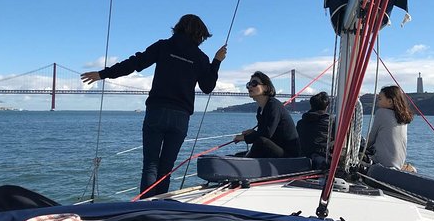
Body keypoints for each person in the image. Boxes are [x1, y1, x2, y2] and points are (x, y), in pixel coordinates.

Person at [81, 14, 227, 198]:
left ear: (178, 28)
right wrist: (217, 61)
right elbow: (207, 87)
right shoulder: (200, 57)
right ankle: (158, 207)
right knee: (166, 167)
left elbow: (134, 63)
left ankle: (145, 206)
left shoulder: (163, 46)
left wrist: (103, 74)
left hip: (156, 112)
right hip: (180, 117)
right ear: (200, 35)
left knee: (150, 164)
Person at [233, 71, 300, 158]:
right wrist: (253, 133)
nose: (250, 86)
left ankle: (245, 162)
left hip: (289, 154)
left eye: (254, 83)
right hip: (276, 149)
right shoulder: (261, 109)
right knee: (237, 155)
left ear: (266, 87)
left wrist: (244, 138)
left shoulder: (273, 105)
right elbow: (265, 132)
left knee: (261, 141)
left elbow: (267, 134)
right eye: (248, 84)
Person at [366, 85, 413, 169]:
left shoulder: (381, 113)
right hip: (399, 164)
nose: (377, 103)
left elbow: (371, 139)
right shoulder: (403, 117)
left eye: (380, 99)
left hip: (383, 163)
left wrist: (359, 148)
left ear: (390, 101)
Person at [296, 91, 332, 168]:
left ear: (311, 105)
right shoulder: (331, 123)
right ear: (326, 107)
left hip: (303, 161)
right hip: (323, 162)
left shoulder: (300, 123)